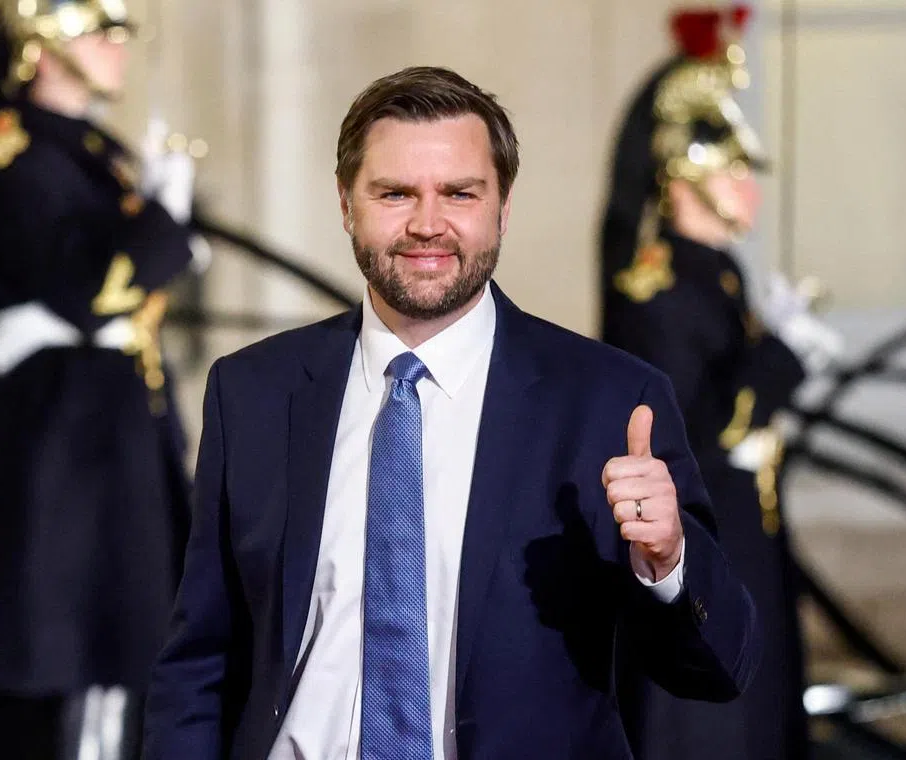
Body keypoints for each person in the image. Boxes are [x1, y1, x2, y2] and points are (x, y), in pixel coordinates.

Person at [143, 65, 760, 760]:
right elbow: (199, 661)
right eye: (395, 193)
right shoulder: (253, 391)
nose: (427, 224)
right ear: (346, 203)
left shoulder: (609, 401)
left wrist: (669, 560)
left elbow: (717, 668)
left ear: (502, 207)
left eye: (459, 193)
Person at [0, 0, 199, 756]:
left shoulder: (89, 152)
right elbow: (90, 290)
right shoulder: (14, 158)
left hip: (115, 429)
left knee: (128, 649)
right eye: (100, 32)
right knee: (82, 649)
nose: (117, 48)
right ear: (44, 45)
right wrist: (166, 224)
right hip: (64, 442)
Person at [598, 7, 844, 760]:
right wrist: (783, 358)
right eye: (733, 169)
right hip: (703, 526)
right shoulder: (658, 288)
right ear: (687, 174)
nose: (748, 186)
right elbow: (703, 428)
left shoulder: (718, 274)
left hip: (746, 523)